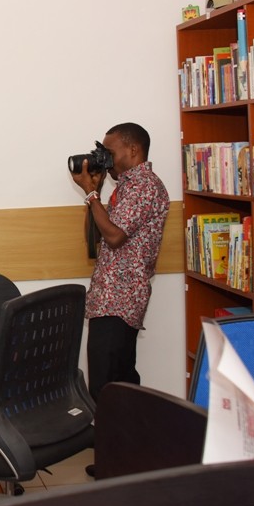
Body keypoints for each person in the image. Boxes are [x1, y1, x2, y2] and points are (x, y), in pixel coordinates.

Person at [71, 122, 168, 422]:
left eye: (109, 152)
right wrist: (95, 194)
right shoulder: (127, 188)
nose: (106, 159)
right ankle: (127, 453)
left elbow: (114, 236)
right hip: (111, 299)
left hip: (120, 300)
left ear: (133, 150)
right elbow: (97, 238)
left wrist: (90, 194)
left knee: (106, 385)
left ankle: (114, 458)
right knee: (120, 381)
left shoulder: (143, 186)